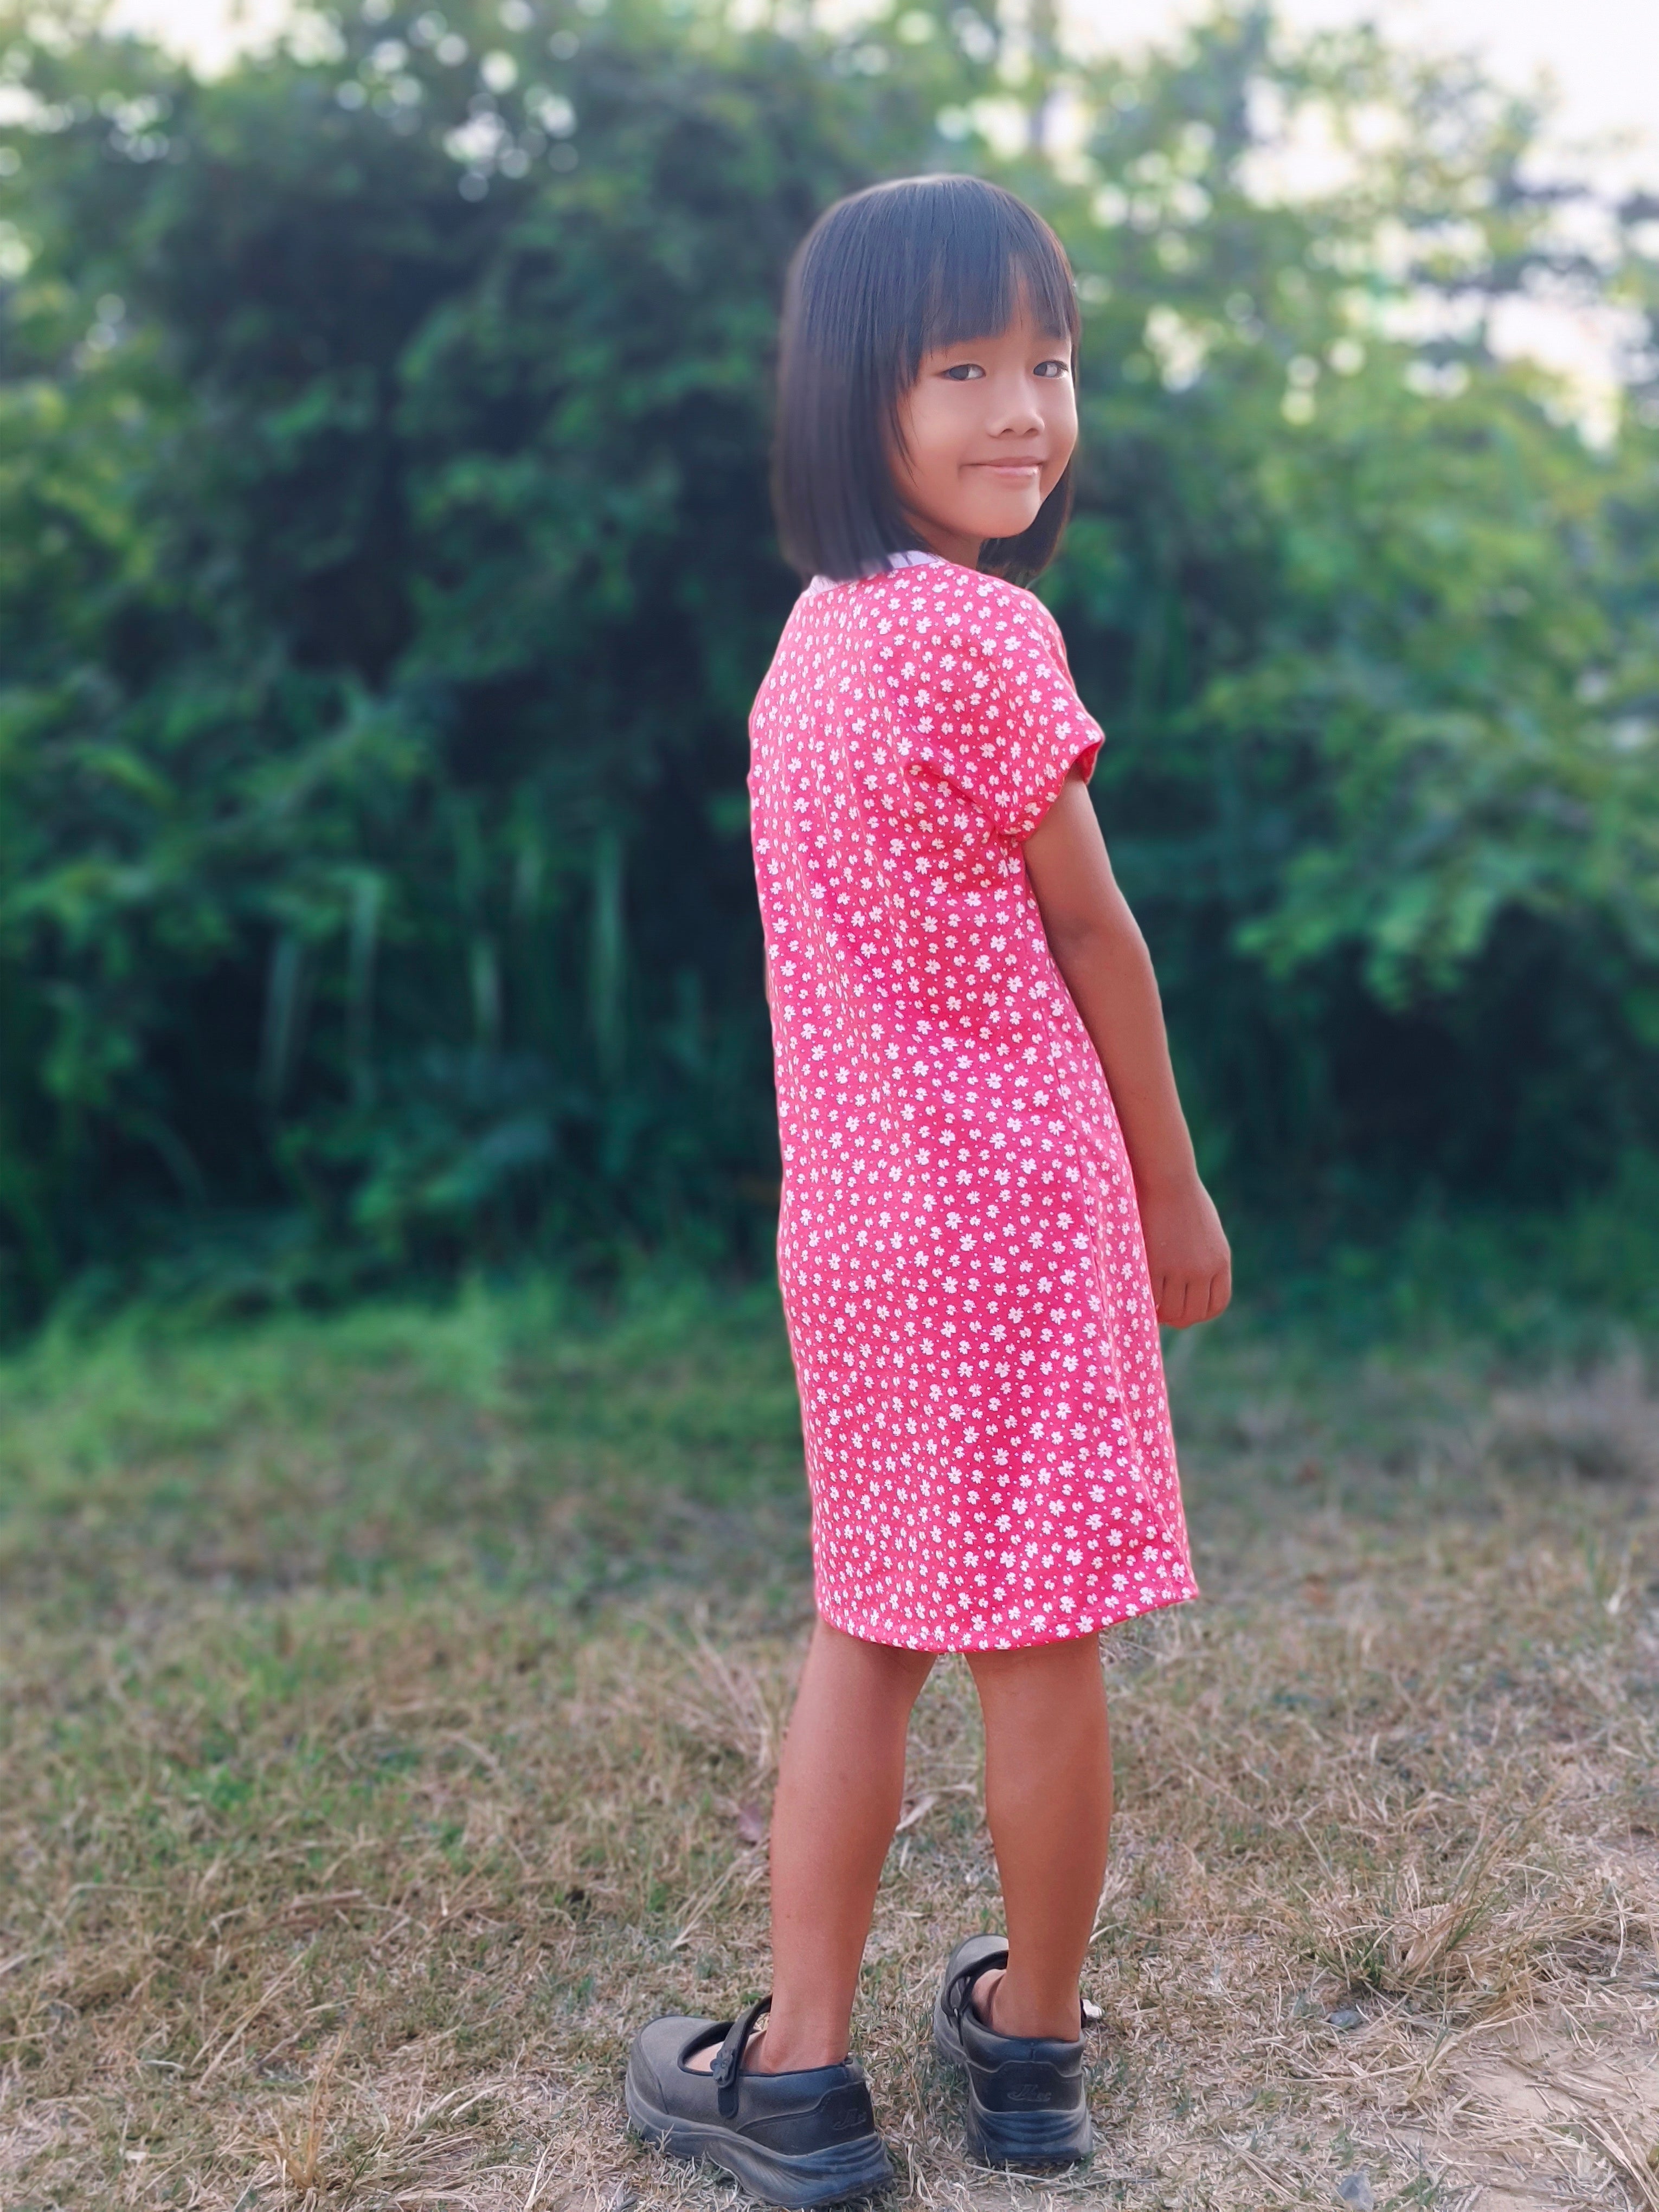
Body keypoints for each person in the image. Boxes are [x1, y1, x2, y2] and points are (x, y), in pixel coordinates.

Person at [625, 173, 1230, 2207]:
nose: (1021, 410)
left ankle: (796, 2080)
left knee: (866, 1630)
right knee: (1040, 1647)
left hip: (859, 1222)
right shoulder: (991, 632)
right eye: (960, 367)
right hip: (1023, 1207)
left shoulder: (804, 652)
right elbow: (1099, 941)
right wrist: (1173, 1194)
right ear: (850, 400)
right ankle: (1031, 2058)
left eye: (1047, 362)